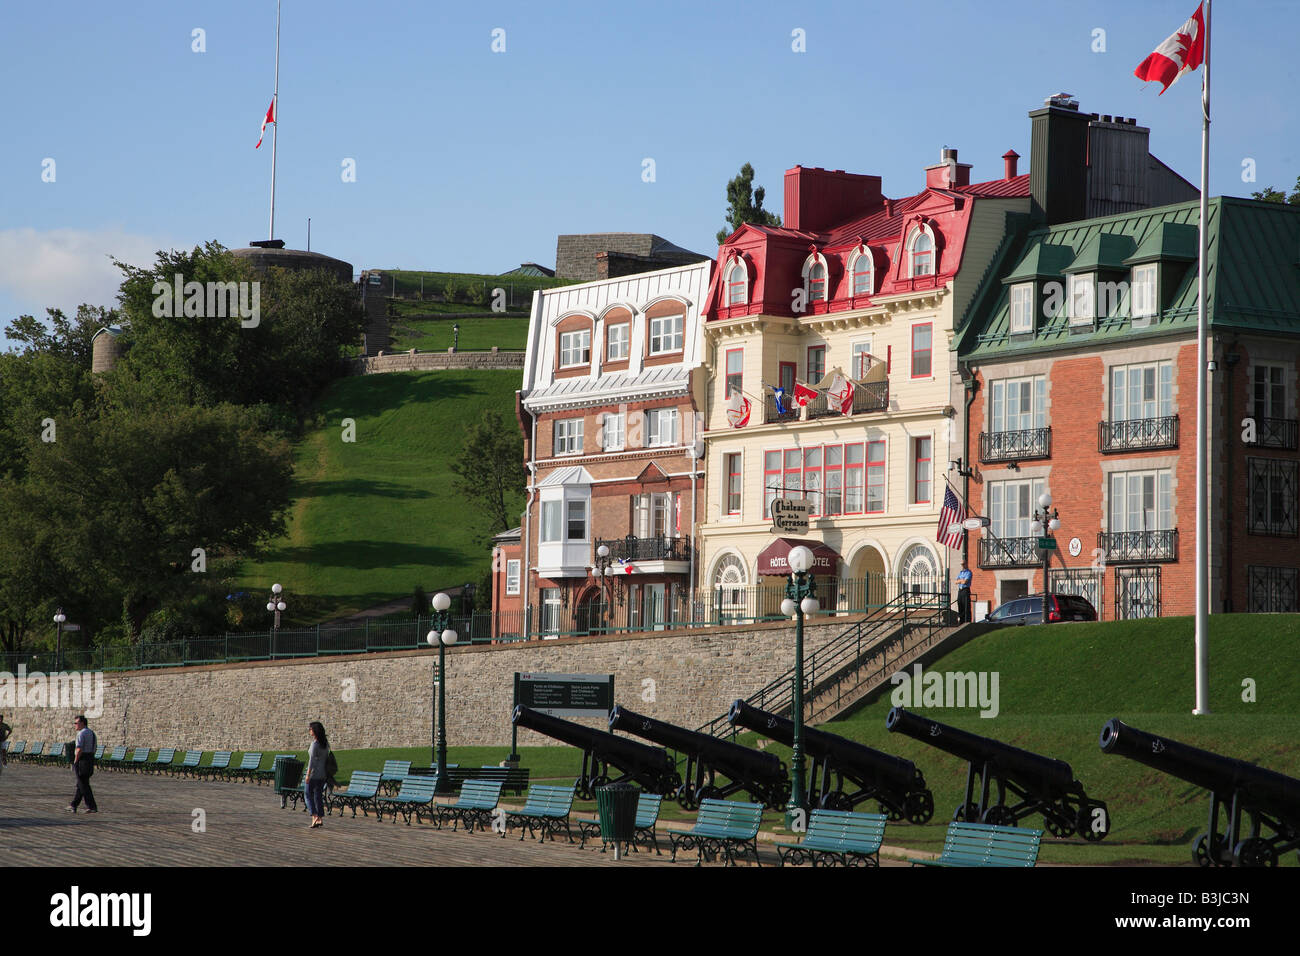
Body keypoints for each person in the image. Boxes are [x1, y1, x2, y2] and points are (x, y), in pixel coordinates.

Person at [67, 715, 98, 814]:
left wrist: (76, 760)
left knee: (83, 784)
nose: (75, 725)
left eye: (76, 723)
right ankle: (73, 805)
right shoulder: (92, 733)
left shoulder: (81, 734)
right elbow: (94, 747)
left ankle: (92, 806)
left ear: (82, 723)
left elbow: (79, 749)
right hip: (90, 758)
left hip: (82, 759)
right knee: (82, 783)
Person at [304, 721, 330, 829]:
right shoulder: (325, 743)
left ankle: (314, 815)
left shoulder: (314, 744)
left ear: (314, 731)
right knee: (318, 795)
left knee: (307, 793)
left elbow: (311, 761)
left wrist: (308, 774)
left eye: (310, 729)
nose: (309, 731)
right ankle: (319, 817)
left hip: (314, 774)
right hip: (323, 774)